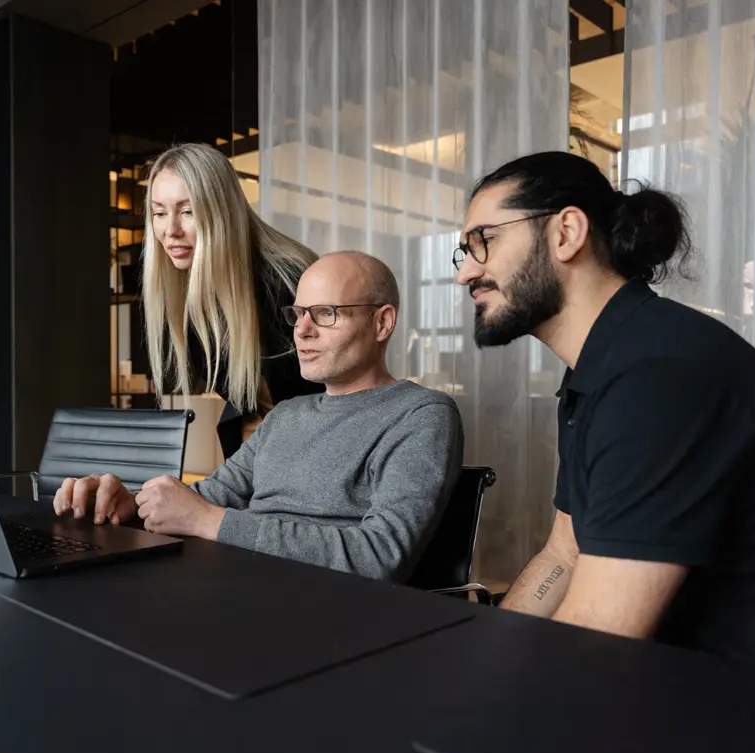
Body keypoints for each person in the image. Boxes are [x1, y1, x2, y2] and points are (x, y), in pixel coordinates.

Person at [456, 150, 755, 691]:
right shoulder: (602, 366)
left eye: (483, 241)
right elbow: (565, 553)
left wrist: (484, 702)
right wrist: (488, 656)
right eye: (463, 252)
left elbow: (597, 642)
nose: (466, 272)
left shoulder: (658, 371)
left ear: (566, 233)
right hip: (717, 678)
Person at [55, 251, 464, 582]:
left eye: (325, 313)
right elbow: (206, 500)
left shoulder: (421, 414)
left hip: (321, 609)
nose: (302, 330)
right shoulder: (286, 415)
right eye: (298, 313)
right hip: (232, 583)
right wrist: (130, 506)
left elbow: (379, 557)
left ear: (382, 323)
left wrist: (211, 522)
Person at [142, 142, 321, 458]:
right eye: (159, 213)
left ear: (221, 210)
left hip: (317, 454)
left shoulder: (289, 281)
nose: (171, 230)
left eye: (188, 211)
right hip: (259, 459)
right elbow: (244, 406)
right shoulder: (191, 293)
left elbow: (323, 400)